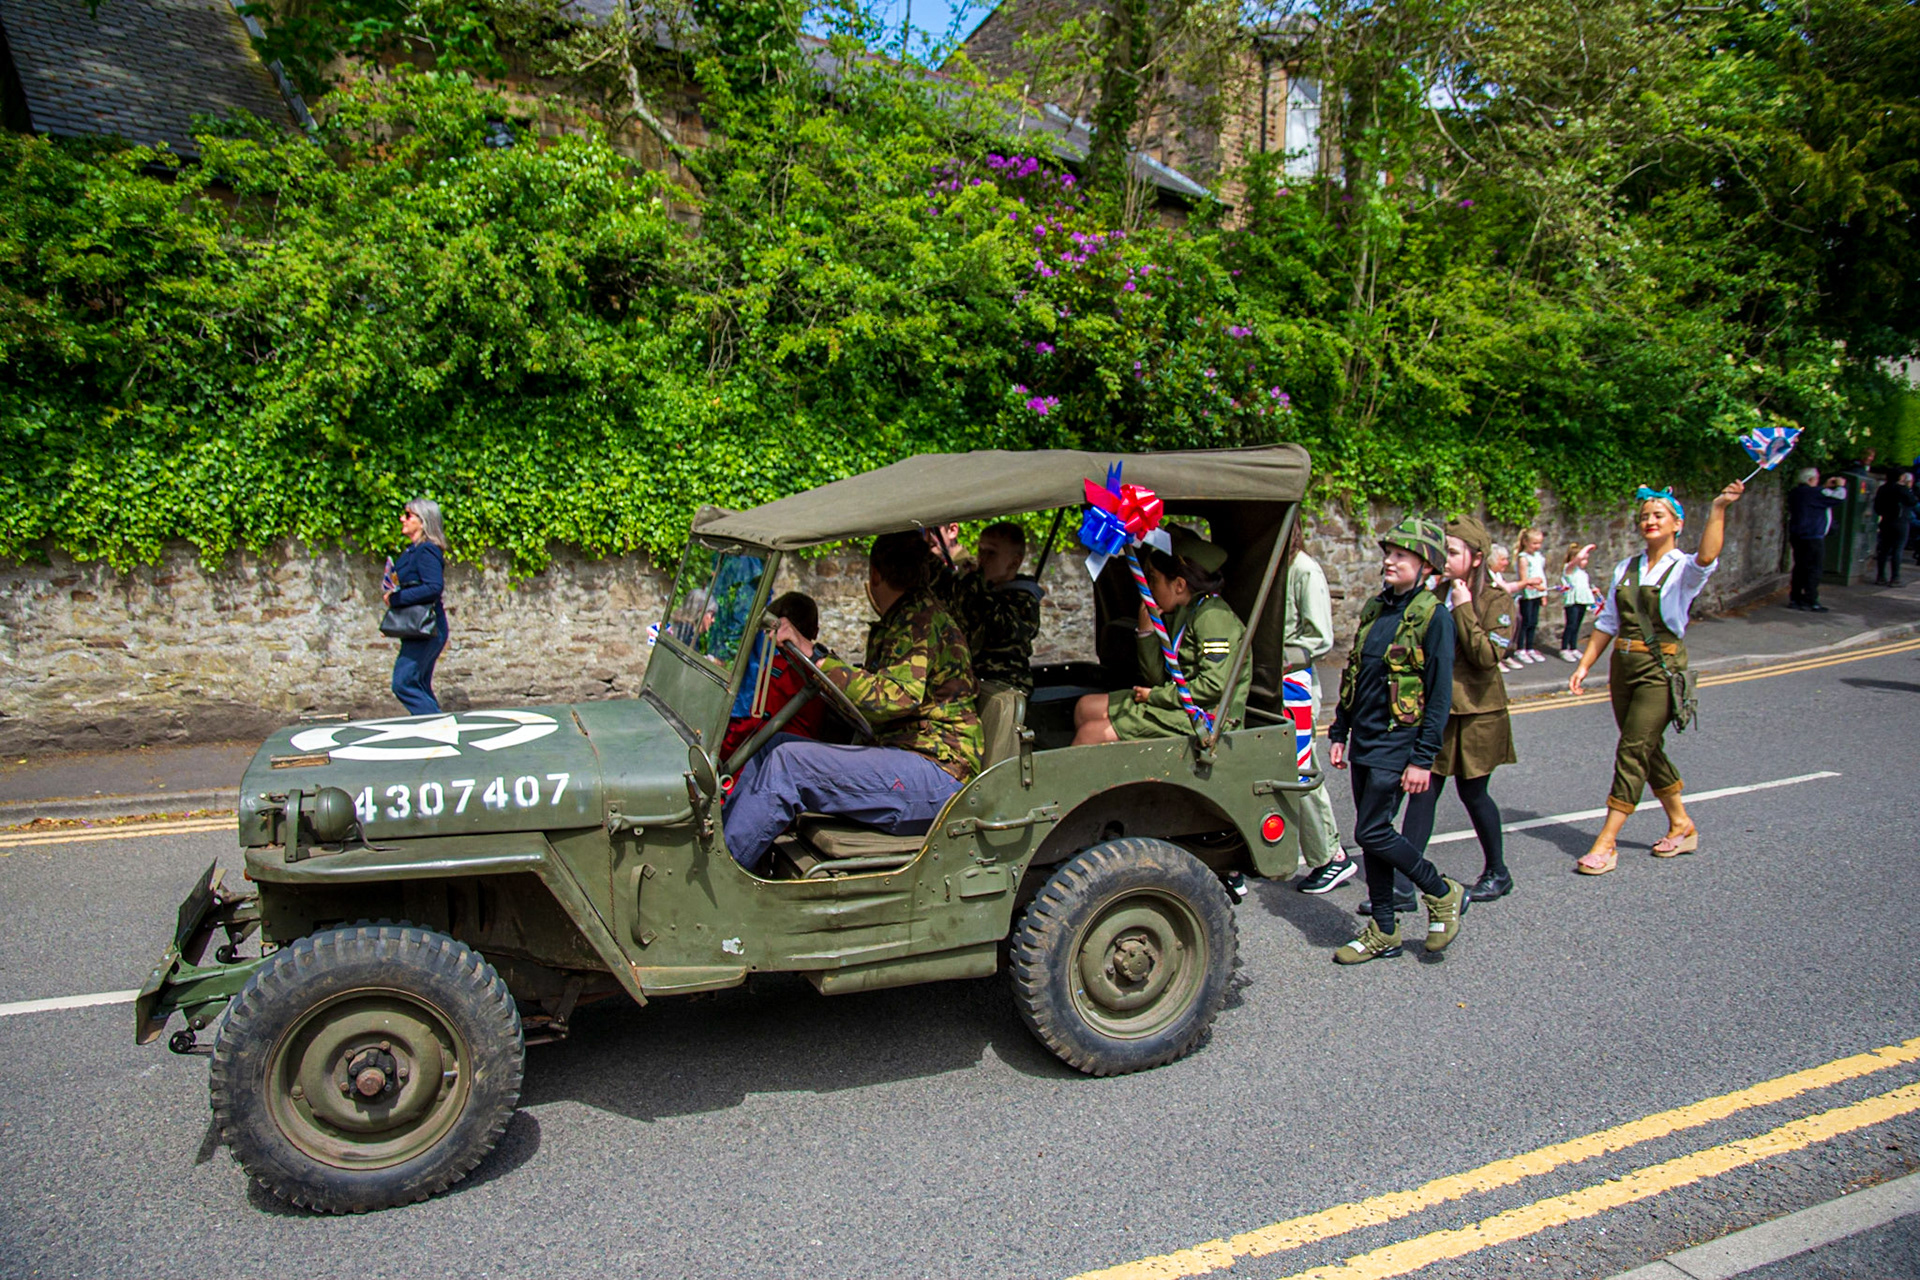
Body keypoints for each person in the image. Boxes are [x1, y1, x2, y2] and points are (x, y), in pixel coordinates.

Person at [721, 532, 982, 874]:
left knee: (790, 763)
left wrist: (815, 657)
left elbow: (896, 697)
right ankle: (724, 848)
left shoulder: (920, 620)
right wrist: (823, 669)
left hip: (938, 772)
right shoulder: (907, 617)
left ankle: (719, 880)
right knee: (773, 744)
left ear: (874, 574)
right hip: (911, 759)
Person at [1568, 481, 1745, 874]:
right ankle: (1682, 825)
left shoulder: (1684, 568)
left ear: (1677, 524)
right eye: (1645, 516)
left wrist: (1718, 508)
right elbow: (1608, 622)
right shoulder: (1624, 568)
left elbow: (1708, 556)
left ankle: (1606, 842)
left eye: (1658, 515)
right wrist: (1584, 664)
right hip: (1623, 667)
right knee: (1644, 747)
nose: (1649, 521)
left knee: (1633, 749)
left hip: (1659, 670)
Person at [1326, 516, 1469, 964]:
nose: (1390, 560)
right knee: (1373, 837)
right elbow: (1356, 675)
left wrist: (1423, 758)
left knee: (1371, 830)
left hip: (1397, 741)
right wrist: (1339, 731)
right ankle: (1384, 929)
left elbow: (1439, 695)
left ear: (1426, 565)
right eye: (1389, 552)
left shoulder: (1434, 616)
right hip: (1365, 739)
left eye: (1401, 555)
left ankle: (1441, 889)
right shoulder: (1376, 609)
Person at [1400, 516, 1518, 902]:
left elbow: (1487, 656)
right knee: (1424, 790)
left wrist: (1465, 609)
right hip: (1440, 712)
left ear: (1478, 558)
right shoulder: (1436, 593)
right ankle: (1403, 885)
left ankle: (1497, 871)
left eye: (1452, 551)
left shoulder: (1496, 600)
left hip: (1479, 714)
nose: (1445, 558)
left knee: (1474, 793)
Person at [1071, 529, 1248, 744]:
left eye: (1153, 580)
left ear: (1179, 585)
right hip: (1179, 702)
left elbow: (1212, 686)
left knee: (1091, 734)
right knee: (1085, 708)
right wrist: (1147, 632)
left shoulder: (1213, 617)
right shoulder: (1184, 613)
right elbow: (1157, 679)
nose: (1149, 588)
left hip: (1207, 717)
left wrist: (1154, 697)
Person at [1279, 519, 1357, 894]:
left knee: (1300, 767)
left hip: (1293, 682)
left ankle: (1331, 857)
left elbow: (1321, 638)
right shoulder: (1277, 565)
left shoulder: (1304, 569)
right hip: (1270, 682)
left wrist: (1279, 657)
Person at [719, 592, 831, 763]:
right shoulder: (821, 670)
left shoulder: (783, 668)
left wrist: (722, 752)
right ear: (815, 632)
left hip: (774, 754)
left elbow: (758, 724)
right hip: (802, 748)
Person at [385, 498, 449, 716]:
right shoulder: (412, 551)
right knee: (418, 683)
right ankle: (440, 731)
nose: (402, 518)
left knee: (403, 683)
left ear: (423, 521)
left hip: (427, 628)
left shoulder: (427, 550)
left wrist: (397, 599)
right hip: (417, 628)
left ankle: (437, 729)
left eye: (408, 515)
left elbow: (433, 587)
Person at [1787, 468, 1845, 611]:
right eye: (1816, 479)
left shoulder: (1796, 493)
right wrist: (1840, 485)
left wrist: (1824, 487)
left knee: (1799, 567)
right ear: (1810, 480)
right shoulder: (1814, 493)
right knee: (1814, 569)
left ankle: (1796, 598)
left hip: (1797, 535)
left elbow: (1818, 497)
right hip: (1813, 536)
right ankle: (1811, 600)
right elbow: (1838, 497)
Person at [1872, 471, 1916, 586]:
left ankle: (1880, 576)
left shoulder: (1882, 489)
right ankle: (1895, 577)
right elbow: (1912, 501)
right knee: (1898, 549)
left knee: (1884, 550)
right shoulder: (1901, 489)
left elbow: (1877, 506)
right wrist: (1907, 488)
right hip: (1900, 521)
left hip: (1886, 521)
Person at [1513, 527, 1548, 663]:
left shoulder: (1538, 557)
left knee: (1534, 622)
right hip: (1528, 595)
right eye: (1534, 543)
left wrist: (1543, 594)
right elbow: (1524, 579)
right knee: (1526, 622)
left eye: (1539, 543)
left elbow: (1542, 575)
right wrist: (1537, 586)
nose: (1537, 546)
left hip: (1537, 594)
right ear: (1526, 542)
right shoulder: (1523, 558)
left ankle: (1530, 647)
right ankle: (1520, 648)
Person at [1558, 542, 1597, 660]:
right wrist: (1588, 547)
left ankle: (1573, 647)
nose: (1585, 562)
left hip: (1582, 600)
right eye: (1584, 559)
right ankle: (1564, 648)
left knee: (1577, 625)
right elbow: (1578, 557)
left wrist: (1593, 590)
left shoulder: (1583, 573)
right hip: (1572, 601)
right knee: (1571, 624)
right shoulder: (1569, 569)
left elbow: (1584, 586)